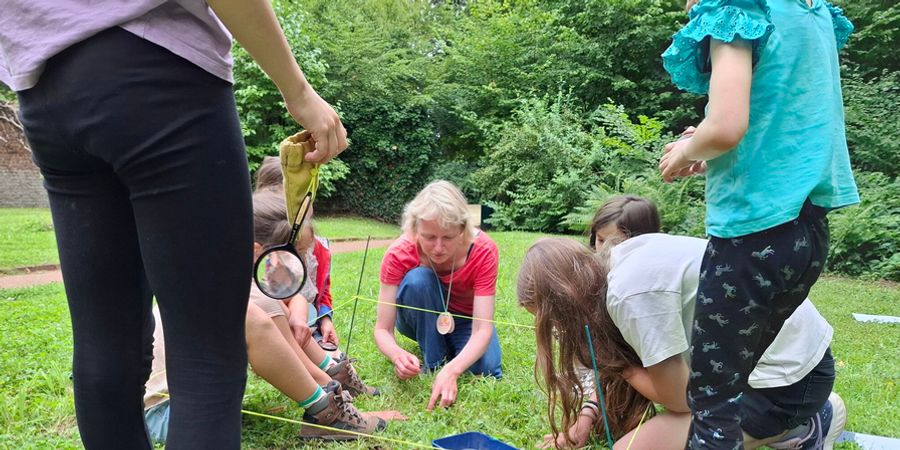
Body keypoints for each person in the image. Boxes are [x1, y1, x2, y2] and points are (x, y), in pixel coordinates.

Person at [1, 1, 347, 447]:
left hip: (46, 95)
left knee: (106, 348)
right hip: (160, 77)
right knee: (207, 355)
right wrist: (298, 91)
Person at [657, 0, 859, 446]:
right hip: (806, 235)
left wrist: (685, 152)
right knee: (733, 383)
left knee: (713, 401)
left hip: (749, 239)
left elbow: (727, 126)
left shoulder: (735, 11)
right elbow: (785, 129)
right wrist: (710, 154)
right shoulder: (812, 13)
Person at [518, 237, 844, 450]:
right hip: (773, 365)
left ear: (566, 302)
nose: (560, 333)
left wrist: (616, 363)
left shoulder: (629, 295)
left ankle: (803, 426)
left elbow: (680, 400)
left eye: (556, 324)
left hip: (789, 382)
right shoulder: (614, 265)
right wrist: (587, 416)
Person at [144, 190, 387, 444]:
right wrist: (336, 400)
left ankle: (333, 387)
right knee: (249, 313)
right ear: (255, 252)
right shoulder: (237, 295)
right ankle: (328, 414)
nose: (302, 267)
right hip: (165, 413)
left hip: (194, 400)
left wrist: (296, 312)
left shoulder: (228, 281)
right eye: (294, 259)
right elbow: (298, 361)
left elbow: (295, 342)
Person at [374, 180, 502, 410]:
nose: (439, 248)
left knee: (487, 369)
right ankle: (433, 360)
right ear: (414, 229)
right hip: (418, 317)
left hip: (465, 320)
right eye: (429, 237)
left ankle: (451, 352)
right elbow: (382, 329)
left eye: (448, 237)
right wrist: (397, 355)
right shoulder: (398, 253)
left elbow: (483, 328)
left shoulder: (484, 250)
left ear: (463, 229)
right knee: (418, 281)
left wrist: (453, 370)